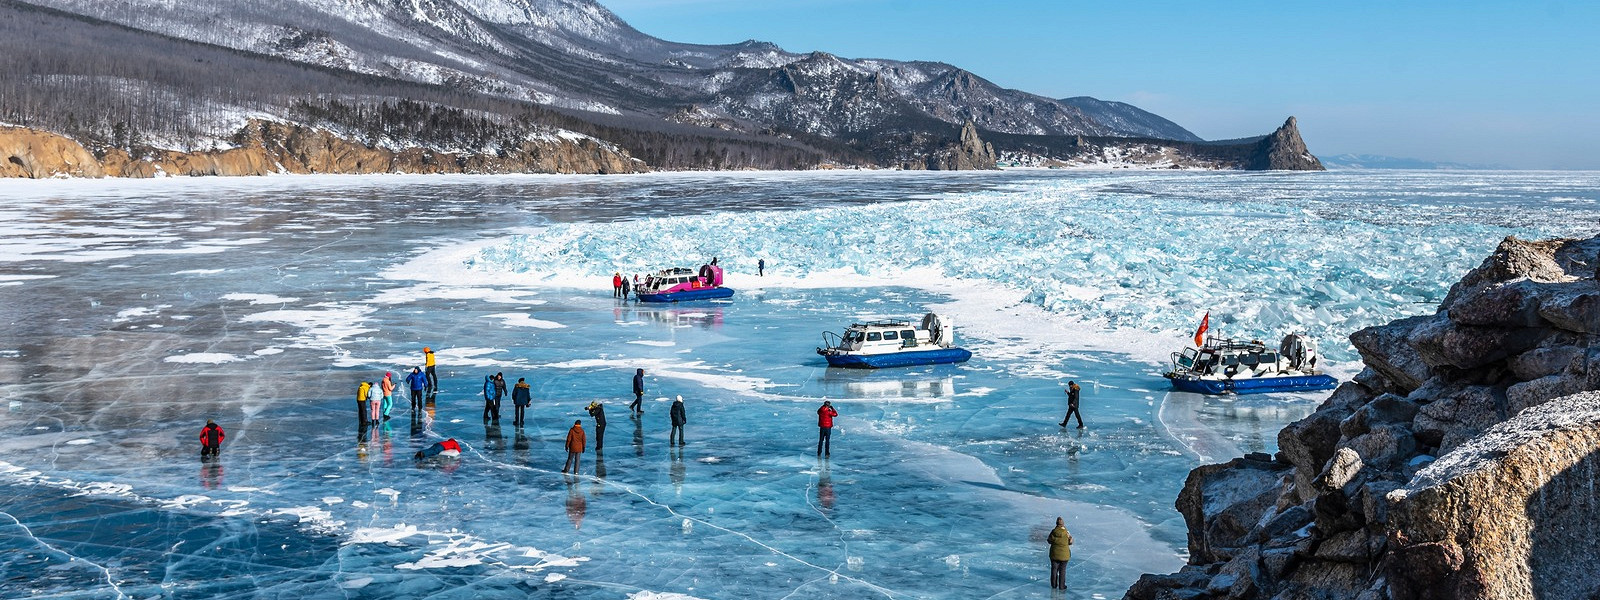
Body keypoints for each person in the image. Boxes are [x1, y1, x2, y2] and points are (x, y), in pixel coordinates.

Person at [1047, 517, 1074, 589]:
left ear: (1056, 524)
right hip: (1064, 556)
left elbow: (1049, 541)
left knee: (1054, 570)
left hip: (1054, 555)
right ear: (1063, 524)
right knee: (1062, 571)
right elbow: (1070, 542)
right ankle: (1062, 586)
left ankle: (1054, 585)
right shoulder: (1066, 532)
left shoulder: (1053, 532)